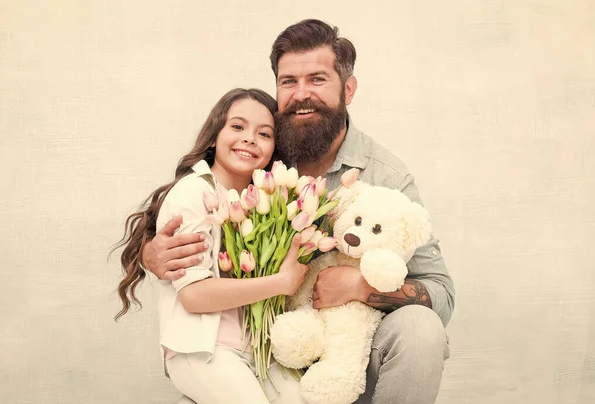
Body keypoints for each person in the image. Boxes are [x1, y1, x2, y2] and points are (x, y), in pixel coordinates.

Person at [143, 20, 455, 404]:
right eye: (288, 81)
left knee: (421, 328)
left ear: (349, 89)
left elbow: (441, 293)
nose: (301, 93)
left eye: (318, 79)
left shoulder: (386, 175)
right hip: (259, 348)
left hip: (348, 352)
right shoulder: (261, 149)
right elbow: (195, 208)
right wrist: (152, 252)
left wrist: (362, 286)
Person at [115, 88, 308, 404]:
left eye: (264, 133)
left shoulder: (271, 203)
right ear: (214, 135)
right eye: (237, 127)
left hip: (259, 350)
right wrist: (281, 283)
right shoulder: (194, 193)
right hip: (203, 348)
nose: (249, 139)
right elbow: (194, 296)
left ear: (274, 148)